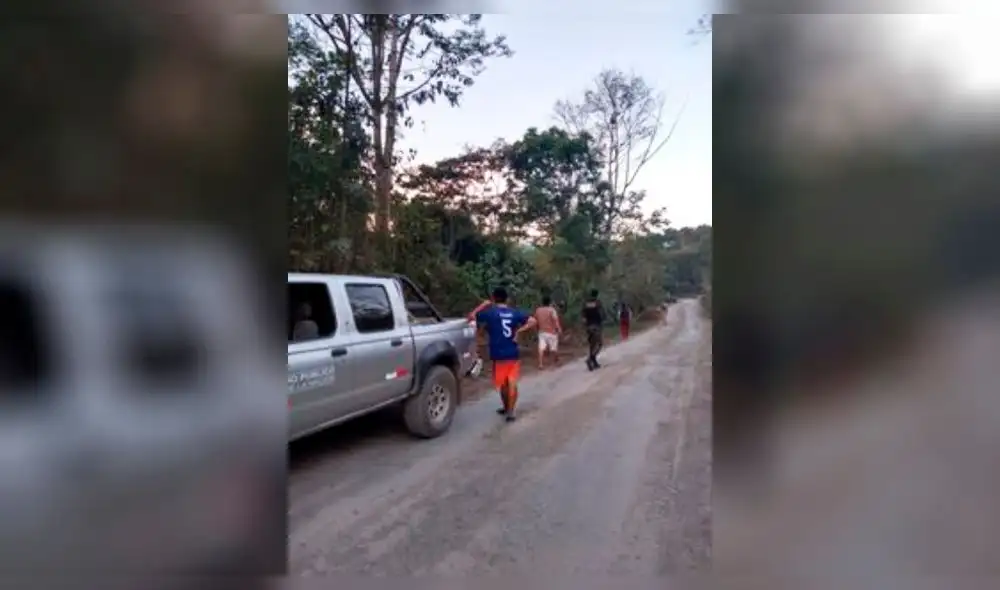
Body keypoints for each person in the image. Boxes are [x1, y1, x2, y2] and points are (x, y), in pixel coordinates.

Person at [467, 287, 537, 422]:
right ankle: (511, 411)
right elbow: (533, 321)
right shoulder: (515, 313)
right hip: (512, 351)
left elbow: (471, 317)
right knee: (512, 382)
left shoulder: (490, 313)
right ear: (507, 299)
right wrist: (519, 331)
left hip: (497, 353)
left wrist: (483, 305)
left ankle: (506, 408)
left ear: (493, 298)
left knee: (503, 383)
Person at [534, 295, 562, 370]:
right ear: (549, 302)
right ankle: (556, 361)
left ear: (542, 302)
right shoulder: (552, 310)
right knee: (554, 348)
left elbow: (535, 321)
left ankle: (540, 364)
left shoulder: (538, 310)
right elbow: (555, 320)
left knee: (541, 348)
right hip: (551, 332)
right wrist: (559, 329)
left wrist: (536, 330)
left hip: (542, 332)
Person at [582, 289, 605, 371]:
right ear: (597, 294)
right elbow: (602, 314)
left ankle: (594, 362)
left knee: (592, 345)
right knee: (599, 344)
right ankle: (591, 359)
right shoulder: (598, 303)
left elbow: (583, 317)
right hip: (596, 326)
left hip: (589, 326)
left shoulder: (586, 303)